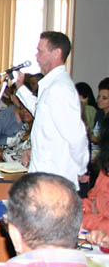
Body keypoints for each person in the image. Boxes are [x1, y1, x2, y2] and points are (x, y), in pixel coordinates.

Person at [14, 31, 89, 188]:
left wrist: (82, 169)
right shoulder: (51, 84)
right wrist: (20, 87)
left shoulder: (60, 88)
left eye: (40, 51)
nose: (36, 56)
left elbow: (76, 135)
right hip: (44, 173)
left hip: (56, 177)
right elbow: (41, 113)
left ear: (56, 53)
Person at [90, 78, 109, 145]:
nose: (99, 100)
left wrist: (95, 139)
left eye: (104, 98)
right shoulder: (99, 113)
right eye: (99, 96)